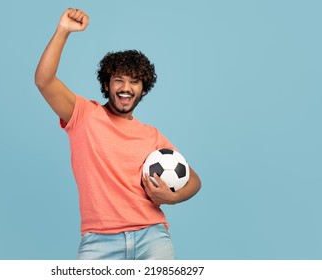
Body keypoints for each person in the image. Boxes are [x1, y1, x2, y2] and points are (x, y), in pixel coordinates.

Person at [35, 8, 201, 260]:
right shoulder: (83, 115)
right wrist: (63, 31)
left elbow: (194, 181)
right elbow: (44, 80)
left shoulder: (151, 136)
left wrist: (171, 197)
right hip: (99, 241)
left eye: (134, 81)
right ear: (106, 85)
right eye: (119, 80)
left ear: (143, 89)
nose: (126, 88)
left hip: (152, 236)